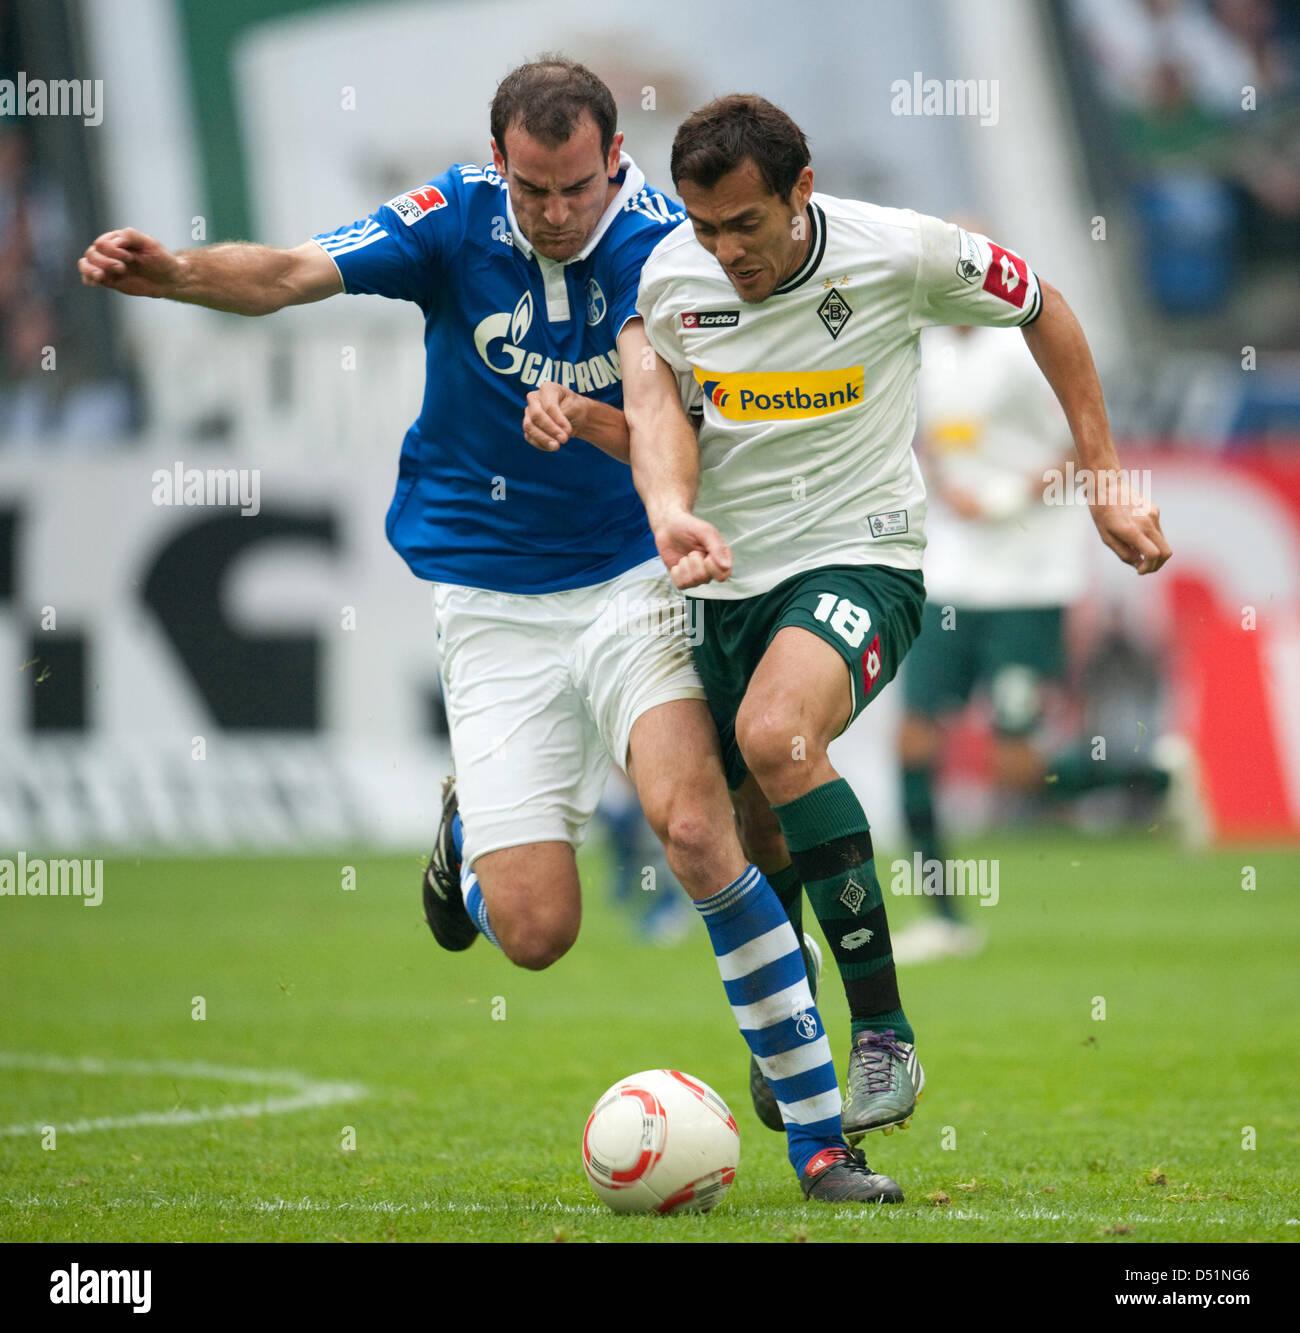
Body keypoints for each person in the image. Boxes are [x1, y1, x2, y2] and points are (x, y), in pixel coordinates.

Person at [78, 59, 900, 1204]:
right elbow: (289, 272)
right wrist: (175, 273)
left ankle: (820, 1143)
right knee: (534, 933)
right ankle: (469, 841)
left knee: (697, 830)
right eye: (531, 190)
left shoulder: (669, 247)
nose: (554, 214)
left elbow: (698, 396)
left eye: (574, 188)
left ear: (614, 161)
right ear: (498, 163)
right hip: (490, 598)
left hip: (630, 584)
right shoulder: (450, 219)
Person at [612, 93, 1172, 1145]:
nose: (726, 250)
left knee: (777, 734)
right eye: (705, 226)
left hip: (861, 558)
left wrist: (1103, 476)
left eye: (747, 222)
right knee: (746, 821)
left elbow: (1042, 302)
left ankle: (884, 1035)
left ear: (801, 190)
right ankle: (794, 1018)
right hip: (726, 581)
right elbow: (670, 417)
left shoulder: (898, 251)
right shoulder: (668, 280)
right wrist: (672, 508)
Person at [894, 314, 1198, 964]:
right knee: (913, 739)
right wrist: (940, 484)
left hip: (1028, 584)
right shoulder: (933, 349)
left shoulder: (1027, 352)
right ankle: (944, 918)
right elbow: (938, 442)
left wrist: (1003, 495)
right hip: (948, 577)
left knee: (1016, 771)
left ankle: (1159, 778)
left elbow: (1081, 448)